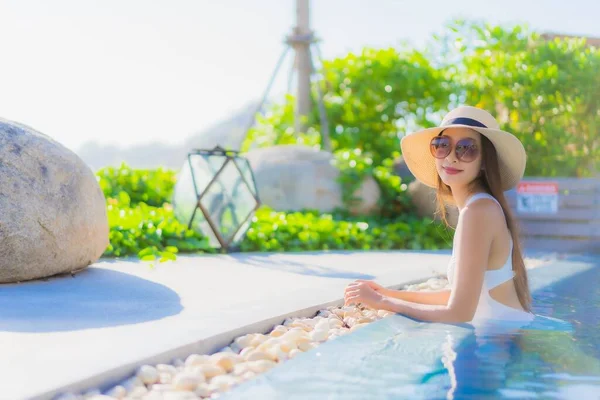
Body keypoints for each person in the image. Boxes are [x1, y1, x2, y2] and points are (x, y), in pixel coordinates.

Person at [344, 105, 534, 324]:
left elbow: (459, 313)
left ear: (484, 161)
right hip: (503, 340)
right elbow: (459, 297)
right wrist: (388, 293)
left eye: (467, 148)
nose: (451, 157)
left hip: (502, 347)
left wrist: (383, 303)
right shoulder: (479, 207)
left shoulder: (478, 212)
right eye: (442, 146)